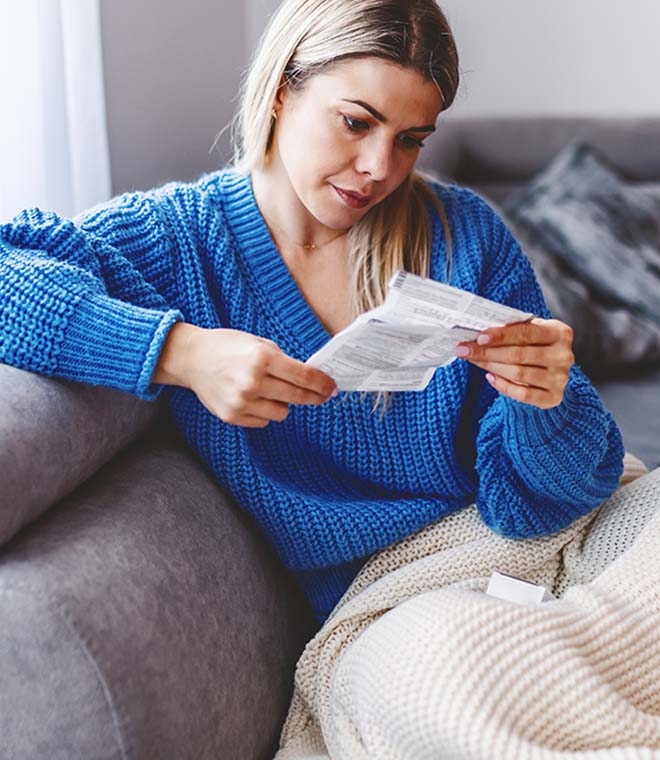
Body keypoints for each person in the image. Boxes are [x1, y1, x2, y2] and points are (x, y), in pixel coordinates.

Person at [0, 0, 623, 625]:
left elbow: (552, 498)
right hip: (394, 606)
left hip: (536, 549)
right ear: (280, 91)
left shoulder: (464, 235)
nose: (381, 168)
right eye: (356, 123)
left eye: (409, 140)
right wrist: (181, 353)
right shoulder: (175, 241)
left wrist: (548, 399)